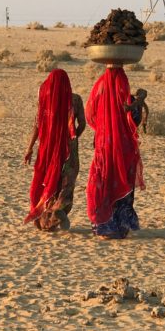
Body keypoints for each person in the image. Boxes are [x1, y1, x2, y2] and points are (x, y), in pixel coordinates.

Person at [85, 63, 144, 239]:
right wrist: (138, 102)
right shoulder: (126, 96)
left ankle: (103, 227)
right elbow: (135, 120)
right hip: (123, 147)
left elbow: (90, 114)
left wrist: (102, 127)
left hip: (103, 144)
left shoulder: (99, 88)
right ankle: (119, 228)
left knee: (103, 182)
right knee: (122, 181)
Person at [24, 68, 85, 231]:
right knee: (67, 183)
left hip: (48, 150)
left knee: (50, 181)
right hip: (69, 151)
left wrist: (29, 149)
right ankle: (58, 209)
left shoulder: (45, 101)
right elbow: (82, 125)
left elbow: (37, 126)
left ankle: (49, 216)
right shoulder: (76, 100)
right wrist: (73, 138)